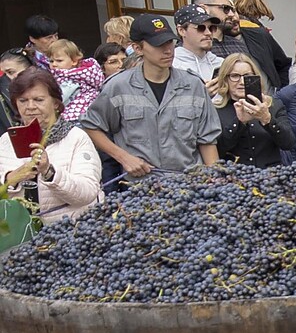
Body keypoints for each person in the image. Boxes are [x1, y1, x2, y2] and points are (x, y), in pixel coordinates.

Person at [81, 15, 220, 176]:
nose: (168, 50)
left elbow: (207, 140)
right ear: (138, 48)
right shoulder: (118, 86)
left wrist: (213, 181)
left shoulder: (193, 85)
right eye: (159, 44)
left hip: (189, 184)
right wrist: (124, 158)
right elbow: (91, 125)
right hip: (141, 188)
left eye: (170, 42)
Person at [0, 70, 100, 223]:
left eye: (38, 100)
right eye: (23, 100)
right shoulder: (6, 140)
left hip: (73, 230)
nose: (30, 106)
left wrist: (49, 172)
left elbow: (87, 193)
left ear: (55, 103)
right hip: (22, 236)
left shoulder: (75, 137)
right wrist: (10, 179)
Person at [211, 53, 290, 167]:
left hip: (271, 176)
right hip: (234, 176)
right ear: (225, 79)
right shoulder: (216, 110)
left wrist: (267, 120)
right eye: (235, 76)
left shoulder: (273, 105)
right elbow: (218, 150)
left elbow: (288, 143)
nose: (242, 82)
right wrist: (239, 123)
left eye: (247, 76)